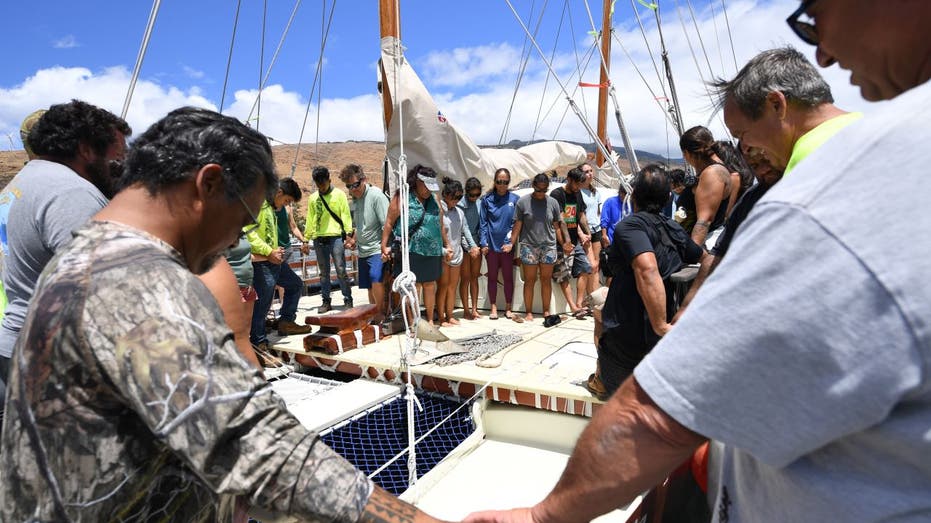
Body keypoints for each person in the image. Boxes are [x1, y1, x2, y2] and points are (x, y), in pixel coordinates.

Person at [465, 2, 931, 520]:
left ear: (778, 107)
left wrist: (544, 514)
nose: (740, 151)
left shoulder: (820, 190)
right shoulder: (860, 161)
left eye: (743, 134)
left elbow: (661, 408)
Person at [0, 107, 445, 522]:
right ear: (208, 184)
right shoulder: (134, 280)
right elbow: (257, 449)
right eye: (243, 218)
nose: (236, 237)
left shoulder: (91, 252)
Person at [0, 100, 130, 422]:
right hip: (51, 360)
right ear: (87, 149)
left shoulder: (27, 180)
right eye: (118, 155)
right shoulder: (71, 193)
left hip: (20, 340)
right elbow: (95, 289)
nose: (122, 164)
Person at [588, 165, 704, 398]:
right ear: (668, 198)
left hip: (628, 341)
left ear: (634, 195)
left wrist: (659, 324)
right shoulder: (673, 228)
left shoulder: (629, 226)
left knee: (600, 317)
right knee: (599, 313)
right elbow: (704, 258)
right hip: (658, 344)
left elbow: (647, 269)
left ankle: (601, 379)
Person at [715, 46, 861, 176]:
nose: (745, 148)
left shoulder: (806, 166)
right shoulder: (869, 124)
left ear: (776, 105)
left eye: (741, 134)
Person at [676, 144, 784, 317]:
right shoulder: (752, 196)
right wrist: (686, 307)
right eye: (755, 165)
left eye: (765, 160)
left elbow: (708, 220)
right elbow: (717, 254)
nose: (763, 171)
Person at [247, 177, 313, 352]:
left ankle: (286, 321)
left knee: (295, 285)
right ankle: (258, 342)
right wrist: (268, 251)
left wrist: (274, 252)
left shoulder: (271, 208)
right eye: (287, 201)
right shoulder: (258, 204)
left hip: (275, 259)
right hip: (263, 261)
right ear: (279, 192)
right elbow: (249, 233)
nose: (286, 205)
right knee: (263, 302)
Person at [380, 164, 450, 326]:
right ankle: (413, 322)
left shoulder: (434, 199)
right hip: (410, 249)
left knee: (430, 284)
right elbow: (389, 222)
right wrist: (384, 245)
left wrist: (447, 245)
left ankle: (431, 321)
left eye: (430, 187)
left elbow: (440, 225)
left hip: (432, 250)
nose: (428, 190)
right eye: (425, 186)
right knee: (414, 286)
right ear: (416, 182)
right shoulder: (402, 197)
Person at [341, 164, 390, 322]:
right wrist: (354, 240)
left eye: (355, 185)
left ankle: (381, 313)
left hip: (377, 248)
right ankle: (373, 313)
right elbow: (361, 226)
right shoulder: (356, 199)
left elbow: (386, 225)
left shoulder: (376, 196)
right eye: (349, 186)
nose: (352, 189)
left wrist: (385, 248)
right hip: (363, 250)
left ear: (364, 179)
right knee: (369, 285)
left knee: (376, 280)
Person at [679, 126, 741, 249]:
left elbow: (704, 220)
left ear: (686, 153)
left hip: (703, 244)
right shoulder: (715, 170)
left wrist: (692, 253)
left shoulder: (712, 173)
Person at [511, 173, 562, 323]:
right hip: (529, 246)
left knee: (546, 280)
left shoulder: (553, 203)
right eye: (538, 190)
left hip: (548, 246)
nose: (541, 193)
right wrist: (511, 243)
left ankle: (546, 311)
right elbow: (517, 226)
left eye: (544, 190)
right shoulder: (522, 202)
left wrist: (564, 243)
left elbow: (557, 226)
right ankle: (528, 312)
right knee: (530, 280)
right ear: (533, 186)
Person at [305, 166, 354, 313]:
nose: (321, 187)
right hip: (319, 238)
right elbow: (310, 219)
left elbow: (345, 214)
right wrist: (305, 239)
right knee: (323, 272)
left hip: (336, 237)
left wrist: (349, 234)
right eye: (318, 185)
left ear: (329, 180)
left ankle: (348, 299)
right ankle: (326, 301)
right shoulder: (313, 198)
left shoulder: (339, 195)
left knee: (340, 269)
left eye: (323, 184)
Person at [549, 166, 593, 317]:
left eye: (580, 185)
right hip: (560, 241)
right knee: (563, 274)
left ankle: (580, 303)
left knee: (586, 268)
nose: (578, 187)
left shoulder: (577, 192)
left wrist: (588, 232)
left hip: (576, 240)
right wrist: (566, 243)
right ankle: (573, 306)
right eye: (576, 184)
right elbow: (561, 220)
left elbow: (580, 215)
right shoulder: (557, 194)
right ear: (569, 180)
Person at [436, 177, 479, 326]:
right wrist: (443, 250)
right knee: (443, 286)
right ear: (446, 194)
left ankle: (450, 315)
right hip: (443, 255)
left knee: (452, 286)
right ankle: (441, 317)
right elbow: (436, 232)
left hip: (457, 254)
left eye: (459, 197)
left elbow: (465, 230)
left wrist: (473, 246)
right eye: (454, 197)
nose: (456, 200)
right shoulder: (439, 210)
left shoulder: (460, 212)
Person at [479, 168, 519, 320]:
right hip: (491, 246)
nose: (502, 185)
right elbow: (483, 223)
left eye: (505, 182)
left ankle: (508, 308)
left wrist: (511, 242)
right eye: (499, 181)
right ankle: (493, 308)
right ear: (495, 182)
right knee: (492, 277)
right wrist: (484, 243)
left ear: (509, 182)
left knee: (508, 277)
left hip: (507, 246)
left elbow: (516, 224)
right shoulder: (486, 200)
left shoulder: (515, 199)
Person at [458, 177, 484, 319]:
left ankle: (474, 309)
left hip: (476, 244)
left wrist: (479, 245)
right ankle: (466, 310)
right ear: (466, 193)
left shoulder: (480, 204)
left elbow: (481, 226)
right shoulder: (461, 204)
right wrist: (469, 248)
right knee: (465, 278)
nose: (474, 198)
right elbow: (463, 229)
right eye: (471, 195)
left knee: (475, 277)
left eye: (477, 195)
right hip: (464, 245)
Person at [579, 163, 603, 294]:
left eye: (591, 171)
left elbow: (597, 213)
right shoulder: (578, 192)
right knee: (591, 265)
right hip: (584, 231)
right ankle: (590, 299)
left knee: (596, 266)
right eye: (586, 171)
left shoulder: (596, 193)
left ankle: (594, 299)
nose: (590, 173)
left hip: (596, 229)